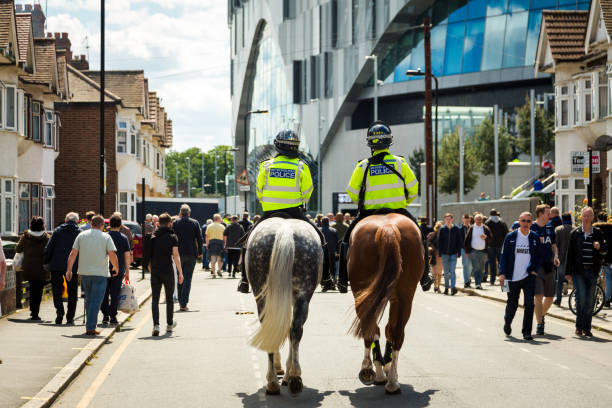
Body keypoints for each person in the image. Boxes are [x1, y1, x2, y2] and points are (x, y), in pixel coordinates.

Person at [342, 121, 432, 293]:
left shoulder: (363, 166)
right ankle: (425, 277)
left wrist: (362, 203)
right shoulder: (400, 163)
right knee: (421, 237)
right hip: (398, 210)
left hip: (369, 212)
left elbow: (352, 192)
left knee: (345, 240)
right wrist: (403, 202)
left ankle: (341, 279)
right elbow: (413, 187)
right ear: (389, 141)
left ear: (370, 144)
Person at [238, 129, 328, 292]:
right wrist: (302, 200)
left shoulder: (266, 165)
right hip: (295, 211)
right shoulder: (301, 166)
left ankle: (244, 281)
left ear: (277, 146)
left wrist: (266, 199)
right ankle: (327, 278)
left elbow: (259, 189)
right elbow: (308, 190)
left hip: (269, 212)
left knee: (247, 241)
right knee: (322, 240)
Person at [66, 215, 119, 335]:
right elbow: (112, 254)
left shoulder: (81, 235)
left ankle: (90, 326)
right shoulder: (106, 237)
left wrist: (69, 270)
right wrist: (116, 267)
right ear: (102, 226)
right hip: (100, 274)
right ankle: (90, 327)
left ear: (91, 224)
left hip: (84, 273)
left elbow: (73, 253)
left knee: (89, 300)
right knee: (96, 301)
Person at [565, 207, 607, 337]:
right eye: (585, 216)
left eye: (589, 216)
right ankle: (579, 326)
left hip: (592, 271)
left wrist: (600, 247)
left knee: (590, 300)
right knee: (581, 298)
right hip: (578, 271)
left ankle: (587, 328)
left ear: (593, 218)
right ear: (581, 217)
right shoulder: (575, 233)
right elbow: (570, 254)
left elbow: (605, 250)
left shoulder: (598, 233)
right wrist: (567, 272)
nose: (587, 218)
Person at [499, 211, 540, 341]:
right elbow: (503, 256)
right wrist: (502, 274)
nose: (526, 224)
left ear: (531, 223)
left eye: (528, 221)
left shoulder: (534, 237)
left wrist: (535, 269)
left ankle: (527, 332)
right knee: (512, 304)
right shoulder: (510, 237)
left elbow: (539, 256)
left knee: (529, 304)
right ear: (519, 221)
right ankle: (507, 321)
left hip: (529, 276)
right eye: (523, 221)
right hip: (511, 277)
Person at [144, 213, 184, 336]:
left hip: (155, 270)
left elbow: (147, 257)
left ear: (158, 223)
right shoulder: (173, 237)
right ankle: (169, 324)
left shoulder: (152, 237)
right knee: (169, 298)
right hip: (168, 270)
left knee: (155, 299)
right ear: (170, 223)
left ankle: (156, 325)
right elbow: (176, 256)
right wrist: (180, 272)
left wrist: (151, 269)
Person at [44, 212, 81, 325]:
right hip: (73, 266)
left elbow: (49, 248)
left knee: (57, 290)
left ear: (66, 220)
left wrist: (46, 261)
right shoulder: (80, 233)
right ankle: (70, 317)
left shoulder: (57, 231)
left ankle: (60, 313)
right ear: (77, 221)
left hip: (57, 265)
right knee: (73, 292)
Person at [530, 204, 560, 336]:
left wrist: (556, 256)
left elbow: (554, 245)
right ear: (540, 214)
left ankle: (540, 315)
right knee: (539, 296)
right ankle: (540, 324)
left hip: (549, 266)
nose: (550, 215)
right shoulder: (532, 228)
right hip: (536, 267)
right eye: (548, 213)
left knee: (550, 297)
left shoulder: (550, 227)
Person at [15, 217, 50, 321]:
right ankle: (35, 313)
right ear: (43, 225)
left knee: (31, 288)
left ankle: (32, 311)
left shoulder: (25, 236)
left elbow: (17, 249)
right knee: (38, 290)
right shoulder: (47, 237)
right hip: (41, 268)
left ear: (31, 225)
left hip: (29, 267)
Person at [100, 215, 131, 325]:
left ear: (109, 224)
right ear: (120, 225)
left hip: (104, 268)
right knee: (115, 293)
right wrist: (127, 271)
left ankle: (105, 315)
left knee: (104, 292)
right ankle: (113, 316)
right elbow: (127, 256)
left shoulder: (104, 236)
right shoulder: (123, 238)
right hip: (119, 268)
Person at [172, 204, 203, 312]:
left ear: (180, 213)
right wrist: (200, 252)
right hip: (191, 253)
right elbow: (199, 238)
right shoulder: (195, 222)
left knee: (180, 276)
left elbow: (172, 237)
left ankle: (181, 301)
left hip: (178, 254)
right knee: (188, 278)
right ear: (189, 213)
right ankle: (183, 303)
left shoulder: (175, 223)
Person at [437, 213, 463, 295]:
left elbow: (459, 242)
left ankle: (452, 288)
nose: (448, 220)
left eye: (449, 219)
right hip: (444, 254)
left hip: (453, 254)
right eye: (446, 219)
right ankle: (446, 288)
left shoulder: (456, 229)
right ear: (445, 220)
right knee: (446, 272)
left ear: (452, 219)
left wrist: (459, 252)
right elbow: (439, 242)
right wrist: (440, 253)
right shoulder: (442, 229)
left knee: (452, 271)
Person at [464, 213, 491, 290]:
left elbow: (491, 239)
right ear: (474, 220)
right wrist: (466, 251)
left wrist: (486, 237)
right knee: (476, 268)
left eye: (480, 219)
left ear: (482, 220)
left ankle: (479, 282)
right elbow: (467, 240)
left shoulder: (485, 228)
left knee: (482, 269)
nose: (479, 221)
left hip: (483, 252)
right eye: (477, 219)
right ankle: (477, 284)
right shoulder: (472, 228)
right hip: (474, 251)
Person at [554, 212, 573, 306]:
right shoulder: (575, 230)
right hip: (572, 260)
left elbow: (555, 244)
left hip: (561, 259)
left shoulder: (558, 229)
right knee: (575, 281)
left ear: (562, 219)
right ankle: (577, 302)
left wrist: (555, 256)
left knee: (560, 280)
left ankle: (558, 300)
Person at [485, 209, 509, 286]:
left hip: (490, 246)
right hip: (500, 245)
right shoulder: (502, 223)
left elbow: (485, 234)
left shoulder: (487, 223)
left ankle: (492, 280)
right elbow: (506, 234)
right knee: (501, 264)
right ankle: (503, 282)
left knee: (492, 264)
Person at [594, 213, 612, 308]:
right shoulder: (610, 229)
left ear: (597, 218)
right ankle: (607, 298)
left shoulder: (596, 229)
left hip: (600, 258)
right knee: (608, 278)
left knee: (597, 278)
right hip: (610, 258)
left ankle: (602, 299)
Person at [320, 217, 339, 290]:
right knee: (332, 268)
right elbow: (337, 243)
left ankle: (325, 284)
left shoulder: (319, 230)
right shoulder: (334, 230)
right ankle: (333, 283)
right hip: (331, 252)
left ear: (322, 222)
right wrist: (337, 252)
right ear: (328, 222)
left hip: (322, 252)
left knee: (323, 269)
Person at [206, 214, 226, 278]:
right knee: (221, 258)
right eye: (220, 218)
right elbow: (224, 236)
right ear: (218, 219)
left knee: (213, 259)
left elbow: (207, 236)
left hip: (212, 243)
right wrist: (225, 243)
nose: (221, 219)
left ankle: (214, 273)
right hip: (220, 243)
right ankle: (219, 270)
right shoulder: (222, 226)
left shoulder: (209, 226)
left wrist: (207, 244)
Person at [428, 221, 443, 293]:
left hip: (440, 256)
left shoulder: (444, 235)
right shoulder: (432, 235)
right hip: (433, 255)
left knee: (439, 272)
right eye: (438, 228)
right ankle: (435, 286)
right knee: (434, 272)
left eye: (440, 228)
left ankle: (439, 286)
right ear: (436, 228)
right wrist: (431, 247)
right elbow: (428, 242)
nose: (439, 229)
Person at [459, 214, 473, 288]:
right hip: (463, 249)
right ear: (463, 219)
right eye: (465, 220)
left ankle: (468, 278)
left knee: (470, 266)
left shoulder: (472, 228)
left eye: (468, 220)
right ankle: (466, 282)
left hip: (471, 249)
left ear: (470, 220)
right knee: (465, 265)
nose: (467, 221)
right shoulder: (460, 228)